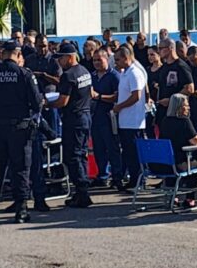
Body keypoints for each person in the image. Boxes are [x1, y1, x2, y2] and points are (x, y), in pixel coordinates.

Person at [0, 40, 43, 224]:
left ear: (2, 53)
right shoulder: (25, 74)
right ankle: (21, 211)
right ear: (19, 55)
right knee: (20, 169)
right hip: (19, 129)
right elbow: (37, 104)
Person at [47, 43, 94, 208]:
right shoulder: (84, 71)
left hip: (73, 119)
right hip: (85, 116)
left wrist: (45, 103)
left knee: (72, 156)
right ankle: (82, 190)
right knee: (81, 154)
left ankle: (82, 192)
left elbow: (62, 101)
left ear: (69, 57)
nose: (58, 61)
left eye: (60, 58)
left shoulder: (68, 75)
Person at [158, 93, 197, 210]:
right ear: (179, 107)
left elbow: (187, 135)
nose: (189, 107)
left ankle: (173, 196)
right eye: (186, 105)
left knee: (175, 160)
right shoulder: (184, 121)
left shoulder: (165, 121)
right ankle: (190, 198)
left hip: (163, 163)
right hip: (179, 163)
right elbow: (195, 141)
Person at [112, 45, 148, 191]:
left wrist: (120, 106)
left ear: (126, 58)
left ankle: (139, 180)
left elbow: (136, 96)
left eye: (118, 59)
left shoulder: (134, 72)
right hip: (125, 121)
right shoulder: (125, 72)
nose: (116, 62)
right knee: (128, 152)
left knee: (134, 153)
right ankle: (133, 179)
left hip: (133, 121)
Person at [89, 50, 121, 188]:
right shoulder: (92, 76)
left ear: (107, 59)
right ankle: (102, 175)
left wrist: (99, 96)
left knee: (112, 148)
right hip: (95, 116)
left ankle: (117, 177)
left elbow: (117, 97)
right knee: (98, 148)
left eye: (99, 60)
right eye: (94, 60)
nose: (96, 63)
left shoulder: (114, 76)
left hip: (109, 116)